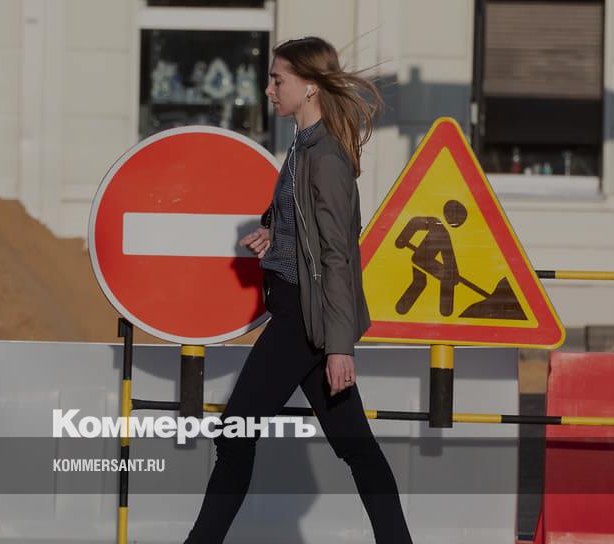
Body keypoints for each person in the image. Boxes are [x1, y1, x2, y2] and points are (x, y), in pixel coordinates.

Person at [184, 36, 413, 543]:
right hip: (303, 312)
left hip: (303, 321)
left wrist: (338, 346)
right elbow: (304, 223)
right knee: (357, 447)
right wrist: (275, 233)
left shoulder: (325, 155)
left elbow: (337, 255)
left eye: (277, 80)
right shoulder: (303, 145)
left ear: (309, 86)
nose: (268, 90)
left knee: (235, 433)